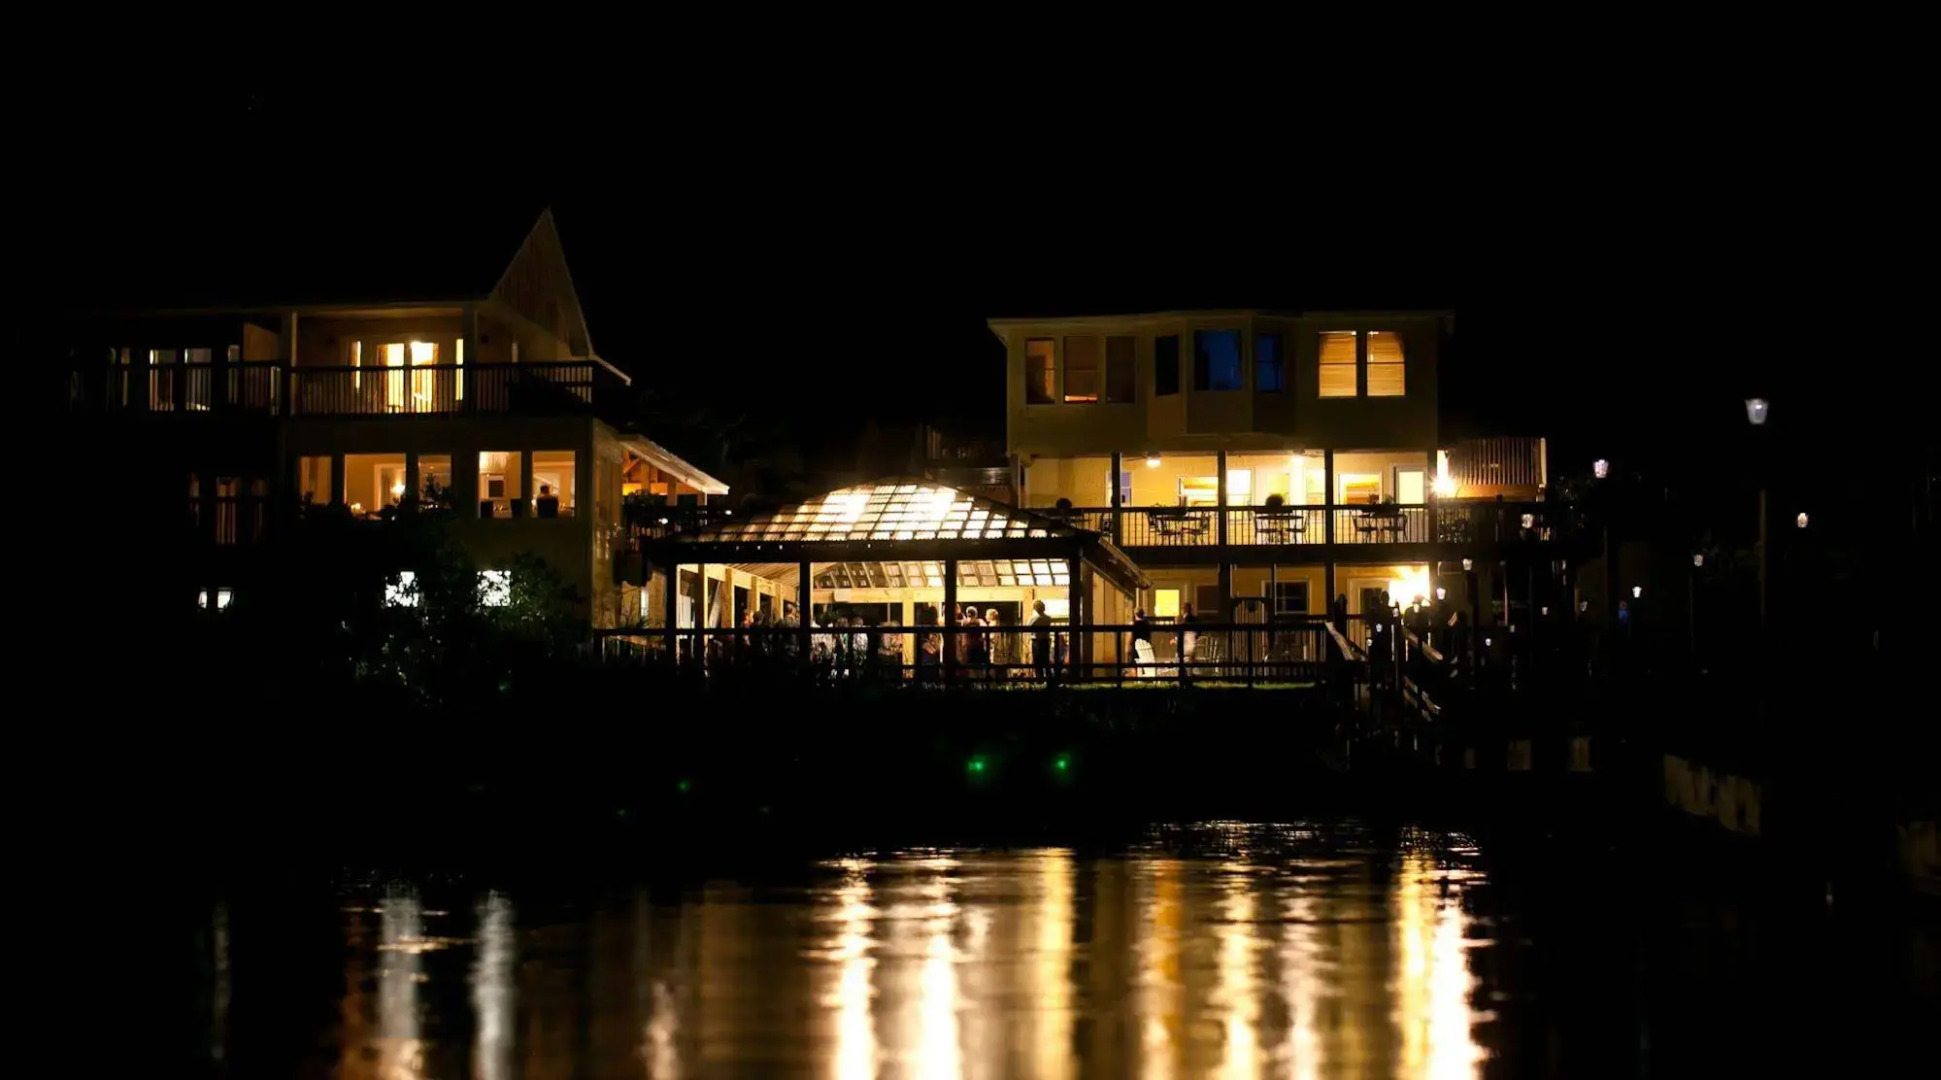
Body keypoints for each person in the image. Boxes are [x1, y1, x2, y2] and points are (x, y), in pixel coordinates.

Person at [1030, 599, 1054, 681]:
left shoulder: (1034, 618)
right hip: (1046, 640)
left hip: (1037, 641)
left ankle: (1039, 679)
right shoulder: (1048, 618)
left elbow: (1027, 626)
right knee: (1046, 660)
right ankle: (1049, 678)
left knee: (1037, 661)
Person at [1131, 607, 1155, 676]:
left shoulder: (1134, 625)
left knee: (1134, 660)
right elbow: (1149, 637)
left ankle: (1136, 675)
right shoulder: (1146, 624)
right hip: (1147, 651)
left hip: (1136, 649)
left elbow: (1131, 638)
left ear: (1135, 615)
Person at [1179, 602, 1200, 679]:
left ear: (1183, 610)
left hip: (1187, 646)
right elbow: (1198, 633)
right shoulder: (1196, 620)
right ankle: (1190, 674)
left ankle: (1185, 675)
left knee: (1180, 658)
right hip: (1193, 645)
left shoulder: (1184, 621)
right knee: (1190, 659)